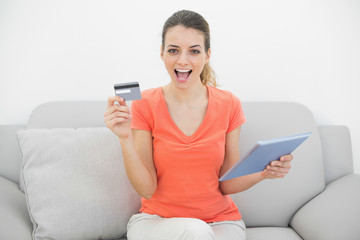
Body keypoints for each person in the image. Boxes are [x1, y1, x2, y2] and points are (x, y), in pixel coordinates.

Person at [104, 10, 293, 240]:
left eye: (194, 51)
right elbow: (147, 189)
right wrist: (125, 139)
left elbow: (226, 183)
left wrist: (264, 173)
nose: (183, 60)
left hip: (220, 224)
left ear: (207, 55)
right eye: (173, 50)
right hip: (158, 223)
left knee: (200, 232)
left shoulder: (229, 104)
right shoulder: (145, 104)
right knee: (195, 231)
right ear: (162, 53)